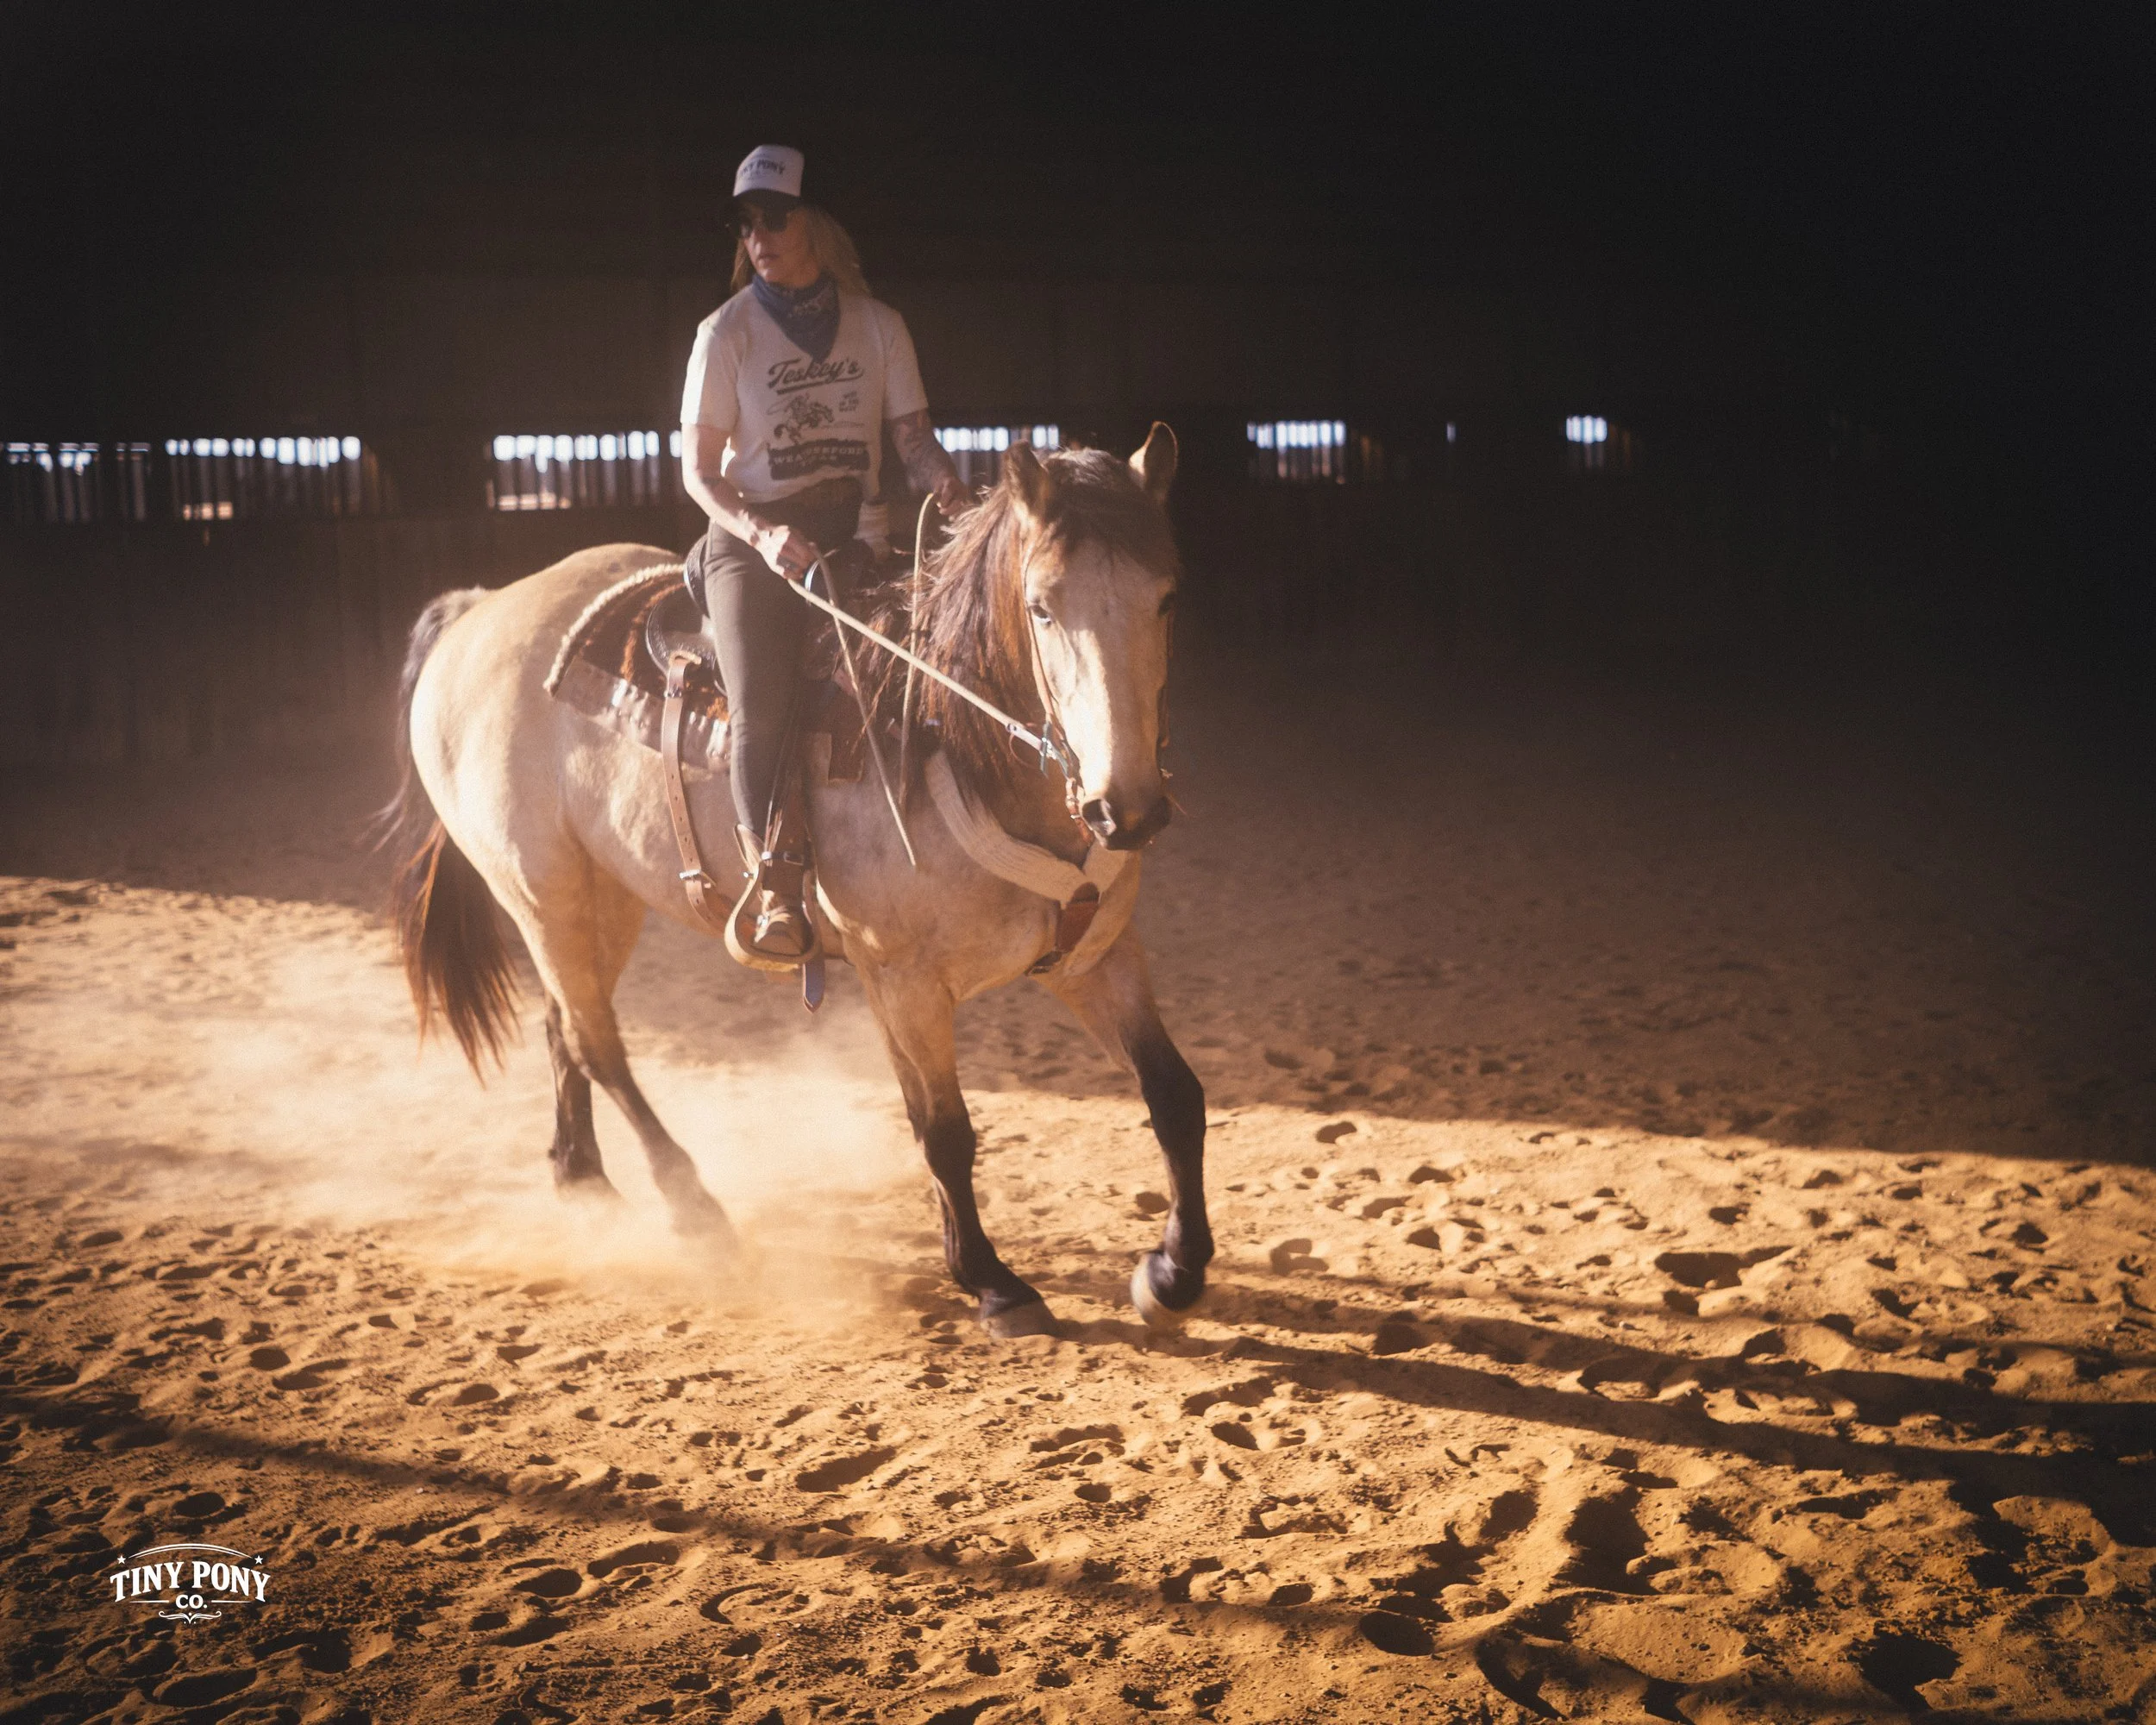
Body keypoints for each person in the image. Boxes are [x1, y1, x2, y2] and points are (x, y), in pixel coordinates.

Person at [680, 145, 968, 972]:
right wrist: (764, 536)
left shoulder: (879, 327)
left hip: (856, 535)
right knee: (764, 705)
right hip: (751, 542)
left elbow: (913, 441)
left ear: (816, 221)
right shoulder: (725, 333)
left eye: (776, 215)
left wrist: (952, 493)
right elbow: (698, 473)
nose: (759, 234)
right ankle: (774, 883)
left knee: (940, 674)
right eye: (747, 221)